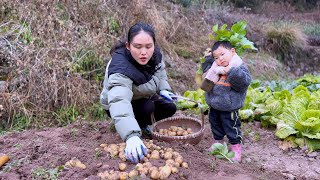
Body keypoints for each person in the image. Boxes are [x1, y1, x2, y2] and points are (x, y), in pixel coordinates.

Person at [100, 22, 176, 164]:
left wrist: (164, 89)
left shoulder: (155, 55)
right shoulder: (120, 67)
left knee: (169, 106)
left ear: (154, 44)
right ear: (128, 46)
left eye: (148, 46)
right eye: (137, 47)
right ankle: (134, 128)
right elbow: (119, 101)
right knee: (148, 107)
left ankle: (139, 122)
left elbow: (160, 73)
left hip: (140, 96)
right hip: (116, 106)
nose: (144, 52)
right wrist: (131, 136)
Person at [201, 41, 252, 162]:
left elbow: (243, 83)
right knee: (215, 126)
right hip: (214, 105)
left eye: (223, 54)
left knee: (232, 128)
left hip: (230, 108)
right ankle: (217, 144)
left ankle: (236, 148)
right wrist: (208, 61)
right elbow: (206, 79)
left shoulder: (238, 67)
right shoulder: (215, 68)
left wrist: (230, 70)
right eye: (216, 57)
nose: (220, 59)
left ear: (232, 52)